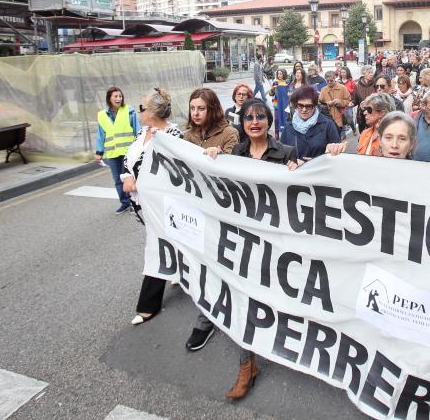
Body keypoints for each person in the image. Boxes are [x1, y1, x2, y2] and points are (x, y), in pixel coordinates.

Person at [203, 98, 298, 401]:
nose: (254, 121)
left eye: (260, 116)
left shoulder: (287, 154)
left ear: (269, 121)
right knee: (246, 302)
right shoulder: (234, 155)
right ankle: (247, 366)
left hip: (278, 244)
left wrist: (299, 171)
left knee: (279, 302)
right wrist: (213, 157)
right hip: (244, 242)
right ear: (241, 123)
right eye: (248, 117)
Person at [183, 87, 239, 352]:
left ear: (213, 108)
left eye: (201, 108)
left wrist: (221, 158)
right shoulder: (186, 136)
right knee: (203, 265)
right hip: (197, 211)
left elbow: (236, 171)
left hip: (224, 212)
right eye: (193, 108)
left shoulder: (229, 134)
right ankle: (206, 318)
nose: (196, 113)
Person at [121, 88, 182, 326]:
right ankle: (180, 271)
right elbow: (129, 159)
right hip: (141, 203)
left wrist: (142, 181)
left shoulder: (172, 135)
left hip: (163, 205)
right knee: (176, 242)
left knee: (157, 247)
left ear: (154, 112)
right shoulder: (143, 132)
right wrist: (127, 176)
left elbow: (174, 173)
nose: (138, 112)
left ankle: (147, 306)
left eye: (142, 108)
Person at [94, 86, 140, 214]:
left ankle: (133, 202)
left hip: (128, 152)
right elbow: (100, 135)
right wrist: (99, 152)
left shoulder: (129, 111)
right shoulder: (102, 115)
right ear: (109, 98)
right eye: (116, 96)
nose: (119, 98)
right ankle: (124, 203)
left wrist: (140, 147)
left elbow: (137, 129)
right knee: (117, 180)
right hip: (113, 153)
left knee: (128, 178)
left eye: (120, 96)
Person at [281, 85, 341, 160]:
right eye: (300, 105)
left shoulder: (328, 125)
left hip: (320, 170)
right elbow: (283, 153)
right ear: (296, 105)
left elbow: (337, 154)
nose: (304, 109)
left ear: (315, 106)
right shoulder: (288, 126)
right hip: (296, 171)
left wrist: (316, 162)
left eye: (308, 106)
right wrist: (293, 162)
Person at [353, 65, 378, 132]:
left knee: (372, 131)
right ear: (363, 73)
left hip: (372, 112)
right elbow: (355, 100)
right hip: (361, 113)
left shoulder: (376, 84)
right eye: (369, 72)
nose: (371, 74)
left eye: (372, 72)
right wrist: (351, 103)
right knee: (362, 132)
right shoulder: (357, 85)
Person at [269, 69, 290, 139]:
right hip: (277, 102)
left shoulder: (287, 83)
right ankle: (276, 133)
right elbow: (270, 93)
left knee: (285, 117)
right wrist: (272, 89)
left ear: (284, 74)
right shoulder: (275, 82)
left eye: (280, 74)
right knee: (277, 118)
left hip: (285, 103)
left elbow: (289, 92)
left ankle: (286, 133)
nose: (279, 75)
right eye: (278, 74)